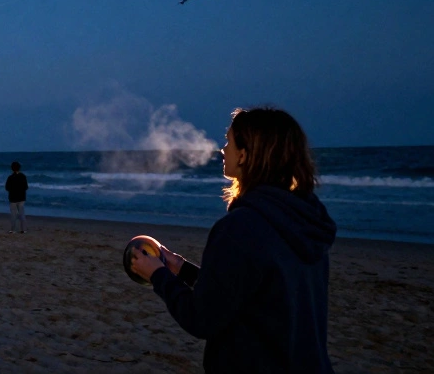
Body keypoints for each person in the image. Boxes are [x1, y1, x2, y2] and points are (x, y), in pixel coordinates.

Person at [130, 107, 337, 373]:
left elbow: (201, 318)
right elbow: (248, 292)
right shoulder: (305, 222)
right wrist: (181, 268)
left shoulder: (239, 228)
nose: (222, 150)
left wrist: (157, 275)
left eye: (229, 141)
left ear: (244, 154)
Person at [5, 161, 28, 234]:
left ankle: (13, 230)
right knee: (22, 214)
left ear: (12, 168)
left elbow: (7, 188)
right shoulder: (23, 176)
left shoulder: (10, 177)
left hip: (13, 198)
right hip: (21, 198)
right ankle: (23, 229)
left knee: (13, 215)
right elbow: (26, 187)